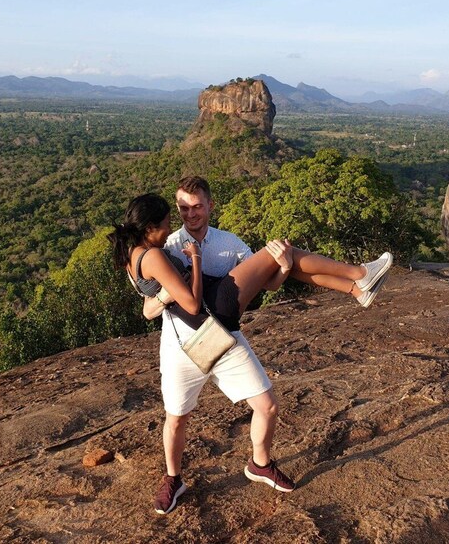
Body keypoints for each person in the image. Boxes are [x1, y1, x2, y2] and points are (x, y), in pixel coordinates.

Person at [108, 179, 392, 515]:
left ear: (210, 205)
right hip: (193, 328)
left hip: (221, 324)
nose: (188, 215)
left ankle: (260, 463)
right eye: (181, 210)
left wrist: (283, 267)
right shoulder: (164, 246)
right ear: (152, 227)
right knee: (176, 417)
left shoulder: (224, 244)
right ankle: (359, 277)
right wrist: (183, 275)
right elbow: (149, 308)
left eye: (197, 206)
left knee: (281, 258)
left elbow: (268, 284)